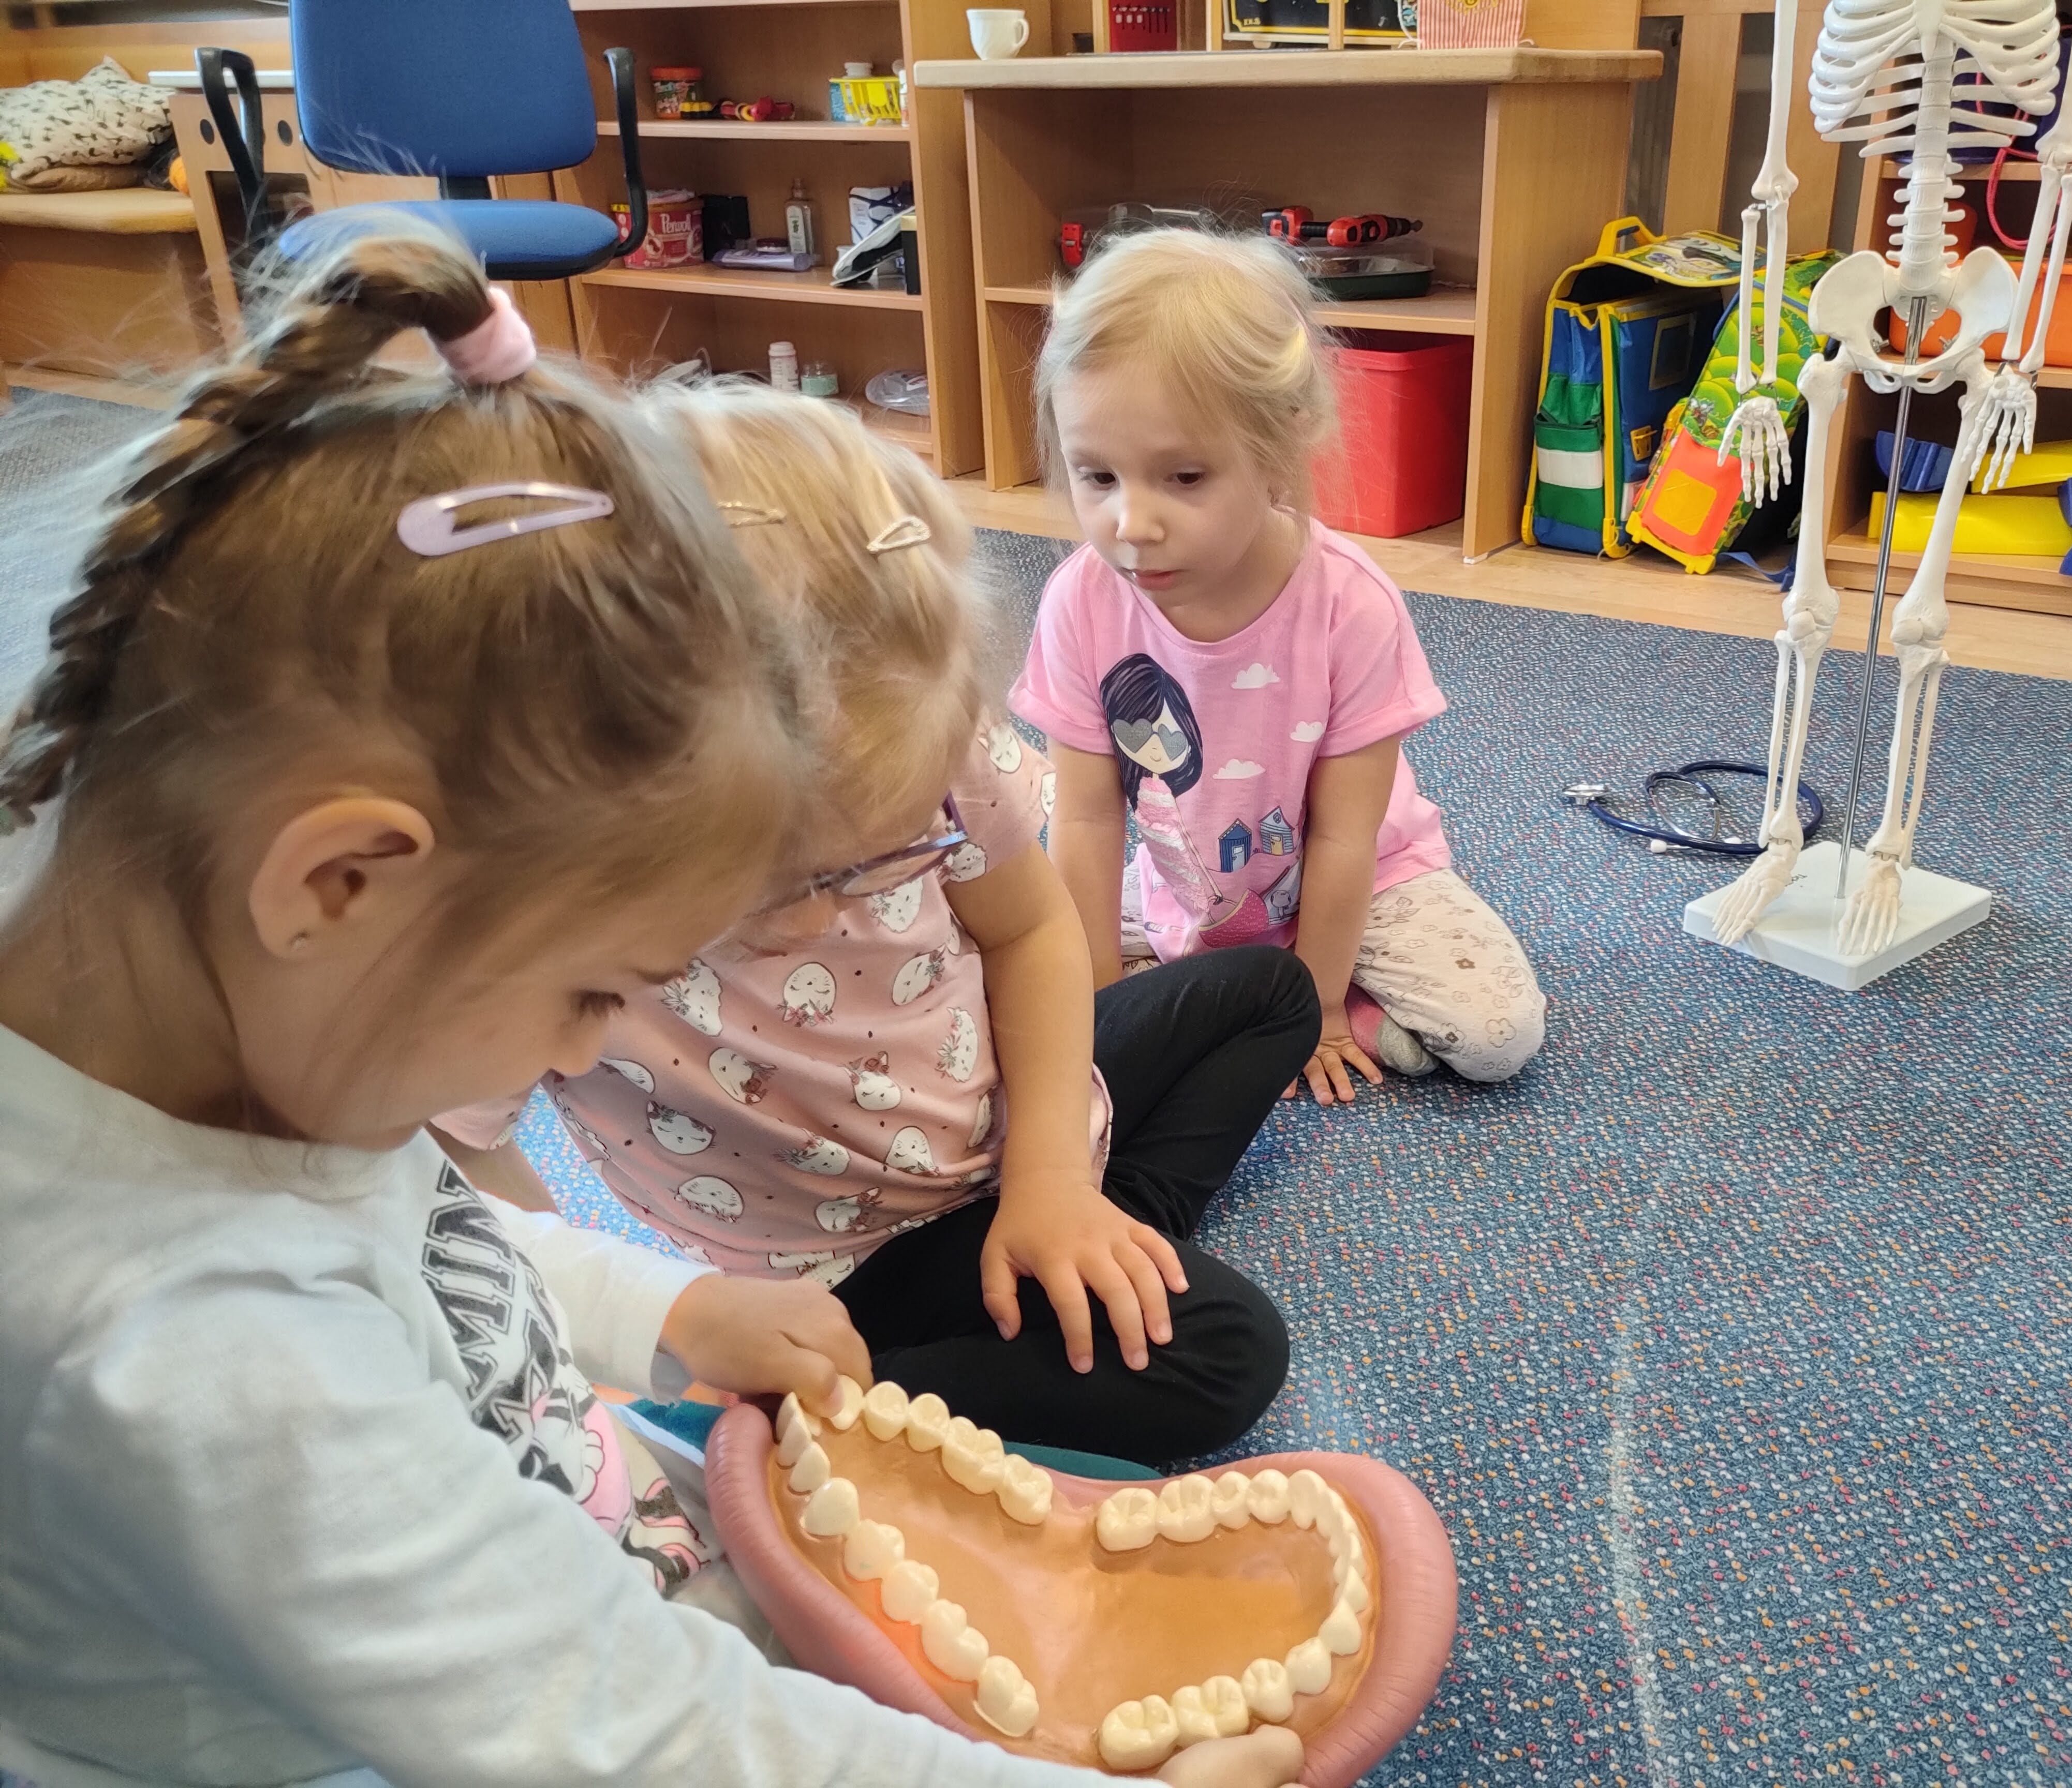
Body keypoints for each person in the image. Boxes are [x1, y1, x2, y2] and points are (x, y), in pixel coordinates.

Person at [0, 220, 1297, 1788]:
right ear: (339, 884)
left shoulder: (248, 1056)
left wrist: (662, 1313)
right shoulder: (187, 1363)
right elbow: (628, 1728)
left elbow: (442, 1244)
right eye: (594, 988)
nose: (588, 1047)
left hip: (599, 1507)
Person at [435, 384, 1317, 1467]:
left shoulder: (920, 728)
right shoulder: (551, 908)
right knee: (1228, 1353)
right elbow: (457, 1145)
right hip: (845, 1262)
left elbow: (1029, 933)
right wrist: (649, 1318)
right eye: (785, 884)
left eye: (885, 857)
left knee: (1271, 994)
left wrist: (1047, 1177)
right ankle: (800, 1407)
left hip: (993, 1137)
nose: (831, 912)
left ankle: (1077, 1234)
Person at [1011, 228, 1547, 1109]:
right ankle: (1218, 982)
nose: (1131, 524)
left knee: (1499, 1035)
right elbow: (1086, 818)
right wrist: (1102, 1007)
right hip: (1185, 880)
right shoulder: (1081, 600)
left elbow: (1341, 839)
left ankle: (1309, 995)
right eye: (1097, 476)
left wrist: (1319, 1011)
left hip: (1361, 881)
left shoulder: (1350, 606)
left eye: (1185, 477)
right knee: (994, 949)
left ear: (1279, 448)